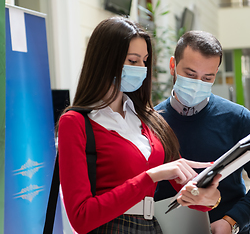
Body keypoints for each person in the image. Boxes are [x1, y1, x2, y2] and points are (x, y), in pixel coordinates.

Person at [57, 17, 221, 234]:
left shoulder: (150, 119)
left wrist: (209, 197)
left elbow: (187, 192)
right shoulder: (76, 122)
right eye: (133, 61)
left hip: (151, 226)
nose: (142, 68)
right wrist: (152, 176)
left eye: (144, 61)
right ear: (105, 60)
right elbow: (81, 217)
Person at [154, 31, 250, 234]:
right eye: (190, 74)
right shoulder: (152, 121)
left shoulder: (238, 118)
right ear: (173, 66)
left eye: (207, 77)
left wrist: (232, 221)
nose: (198, 84)